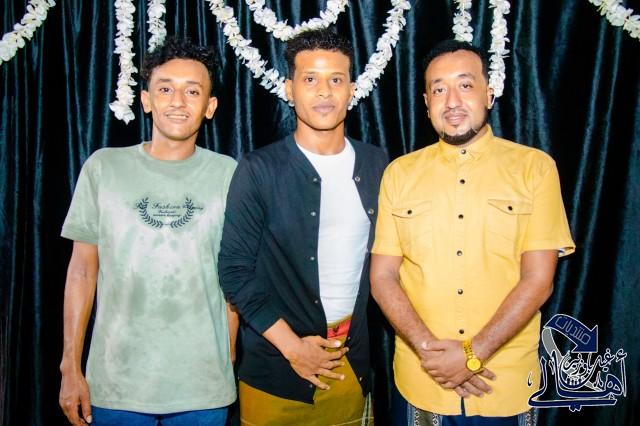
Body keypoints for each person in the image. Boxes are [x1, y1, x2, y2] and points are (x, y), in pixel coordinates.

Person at [370, 39, 576, 425]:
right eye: (439, 89)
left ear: (489, 94)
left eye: (465, 85)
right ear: (426, 102)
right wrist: (431, 352)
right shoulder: (399, 174)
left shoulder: (534, 169)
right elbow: (383, 277)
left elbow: (539, 280)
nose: (452, 101)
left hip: (503, 384)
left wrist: (472, 354)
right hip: (422, 379)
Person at [58, 37, 237, 426]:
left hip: (203, 386)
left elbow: (234, 277)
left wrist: (228, 354)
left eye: (192, 91)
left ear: (210, 107)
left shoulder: (229, 174)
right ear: (146, 100)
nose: (178, 101)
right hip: (115, 385)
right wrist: (70, 365)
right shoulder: (103, 167)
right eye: (166, 89)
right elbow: (82, 271)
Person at [218, 29, 387, 425]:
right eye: (310, 79)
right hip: (275, 372)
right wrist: (294, 349)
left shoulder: (378, 164)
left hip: (351, 367)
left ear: (352, 90)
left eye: (336, 79)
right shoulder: (258, 169)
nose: (324, 91)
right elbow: (234, 271)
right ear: (289, 89)